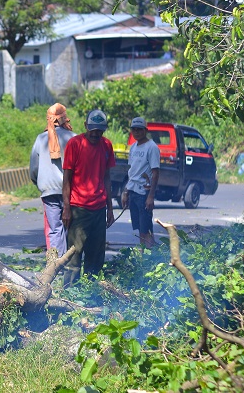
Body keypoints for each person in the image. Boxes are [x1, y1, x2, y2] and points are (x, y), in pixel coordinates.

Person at [61, 109, 115, 288]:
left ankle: (92, 294)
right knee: (74, 255)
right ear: (85, 126)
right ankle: (69, 293)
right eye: (93, 130)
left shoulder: (106, 146)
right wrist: (67, 208)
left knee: (96, 256)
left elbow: (106, 177)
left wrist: (110, 209)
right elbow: (67, 178)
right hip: (78, 209)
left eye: (99, 131)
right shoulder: (74, 144)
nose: (95, 134)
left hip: (99, 208)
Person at [29, 103, 76, 256]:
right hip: (71, 192)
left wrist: (39, 183)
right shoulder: (74, 138)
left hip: (48, 191)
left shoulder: (40, 139)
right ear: (64, 118)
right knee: (70, 227)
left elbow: (34, 168)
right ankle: (70, 263)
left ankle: (56, 264)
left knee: (55, 229)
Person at [121, 117, 160, 248]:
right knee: (139, 229)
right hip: (133, 191)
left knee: (146, 229)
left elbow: (155, 173)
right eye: (134, 130)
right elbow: (131, 172)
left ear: (145, 130)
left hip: (144, 193)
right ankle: (145, 256)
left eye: (139, 130)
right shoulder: (133, 148)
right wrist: (126, 192)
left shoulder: (152, 147)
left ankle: (150, 258)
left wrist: (151, 196)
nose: (137, 132)